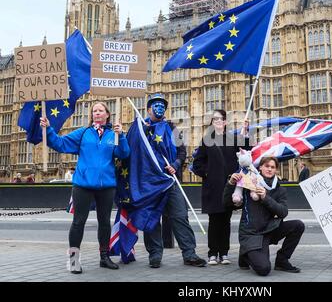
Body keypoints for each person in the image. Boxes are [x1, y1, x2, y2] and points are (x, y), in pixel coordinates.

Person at [40, 101, 130, 274]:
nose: (97, 113)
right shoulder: (83, 133)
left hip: (107, 186)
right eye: (94, 110)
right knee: (78, 222)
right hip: (83, 185)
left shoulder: (113, 134)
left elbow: (124, 154)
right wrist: (49, 129)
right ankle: (73, 261)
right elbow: (60, 144)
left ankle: (104, 257)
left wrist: (122, 135)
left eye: (100, 110)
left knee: (104, 223)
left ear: (107, 114)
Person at [143, 93, 206, 268]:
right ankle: (155, 253)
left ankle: (189, 253)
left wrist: (175, 164)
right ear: (149, 109)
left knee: (180, 216)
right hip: (152, 182)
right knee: (152, 219)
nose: (160, 108)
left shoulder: (172, 128)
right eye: (156, 105)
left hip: (171, 180)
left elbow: (182, 152)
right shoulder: (142, 129)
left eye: (162, 105)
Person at [223, 156, 305, 276]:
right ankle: (245, 253)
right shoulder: (248, 183)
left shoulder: (279, 189)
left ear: (276, 170)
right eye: (267, 166)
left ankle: (282, 260)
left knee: (298, 225)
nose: (270, 169)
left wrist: (265, 198)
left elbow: (283, 212)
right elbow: (227, 205)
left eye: (273, 167)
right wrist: (230, 184)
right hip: (252, 233)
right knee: (264, 269)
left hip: (270, 229)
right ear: (260, 167)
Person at [192, 110, 250, 266]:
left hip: (228, 185)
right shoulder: (206, 140)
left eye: (220, 119)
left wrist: (246, 131)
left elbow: (246, 150)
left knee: (226, 220)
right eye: (214, 119)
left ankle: (224, 253)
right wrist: (208, 173)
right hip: (212, 186)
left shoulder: (232, 139)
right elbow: (197, 164)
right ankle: (212, 253)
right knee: (214, 221)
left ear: (225, 122)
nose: (217, 121)